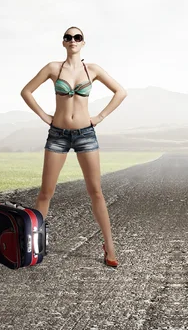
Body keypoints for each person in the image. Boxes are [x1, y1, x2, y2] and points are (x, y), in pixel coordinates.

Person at [20, 26, 127, 267]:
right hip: (57, 134)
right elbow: (26, 91)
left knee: (96, 192)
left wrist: (99, 117)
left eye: (77, 37)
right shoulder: (53, 68)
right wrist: (43, 115)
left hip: (85, 135)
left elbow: (121, 92)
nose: (72, 41)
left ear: (83, 42)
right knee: (46, 192)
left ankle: (109, 246)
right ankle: (35, 247)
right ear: (63, 42)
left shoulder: (93, 70)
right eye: (68, 37)